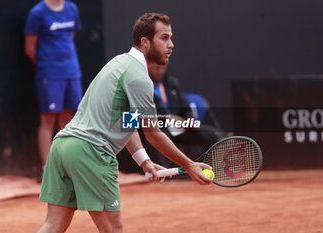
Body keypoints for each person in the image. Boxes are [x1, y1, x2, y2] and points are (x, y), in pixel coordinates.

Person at [36, 13, 213, 233]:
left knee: (53, 226)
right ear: (145, 42)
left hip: (62, 148)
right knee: (113, 230)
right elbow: (153, 134)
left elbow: (126, 121)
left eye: (171, 38)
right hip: (90, 153)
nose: (171, 44)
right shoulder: (139, 78)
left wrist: (144, 161)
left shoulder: (119, 63)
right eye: (164, 38)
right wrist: (189, 164)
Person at [24, 0, 83, 176]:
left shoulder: (72, 9)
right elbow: (30, 49)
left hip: (72, 71)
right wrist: (47, 66)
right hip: (49, 73)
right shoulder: (37, 13)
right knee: (48, 120)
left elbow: (71, 37)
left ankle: (66, 167)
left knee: (68, 120)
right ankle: (48, 170)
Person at [145, 63, 225, 167]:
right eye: (156, 68)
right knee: (159, 136)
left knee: (214, 134)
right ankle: (164, 177)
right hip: (160, 128)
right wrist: (167, 118)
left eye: (162, 68)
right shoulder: (143, 86)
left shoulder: (171, 82)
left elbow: (185, 107)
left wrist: (189, 121)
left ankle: (211, 168)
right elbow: (143, 115)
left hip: (180, 127)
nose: (159, 71)